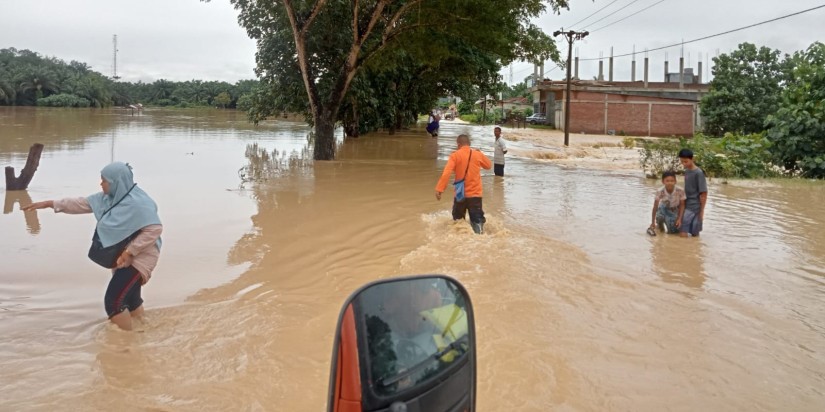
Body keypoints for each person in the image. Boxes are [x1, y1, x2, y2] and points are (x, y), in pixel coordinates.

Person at [23, 162, 162, 330]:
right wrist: (49, 203)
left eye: (105, 181)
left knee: (114, 302)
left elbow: (154, 229)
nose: (101, 184)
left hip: (141, 257)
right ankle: (142, 334)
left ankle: (126, 345)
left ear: (116, 182)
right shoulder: (108, 199)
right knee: (130, 300)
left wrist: (130, 251)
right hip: (121, 255)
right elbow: (80, 203)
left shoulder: (140, 203)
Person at [435, 134, 492, 234]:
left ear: (458, 144)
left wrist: (440, 189)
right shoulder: (477, 154)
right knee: (477, 222)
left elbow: (446, 173)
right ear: (469, 144)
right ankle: (480, 240)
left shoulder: (455, 155)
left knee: (458, 222)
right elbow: (488, 166)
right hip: (475, 195)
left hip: (460, 194)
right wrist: (480, 153)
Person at [678, 149, 708, 237]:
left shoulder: (698, 173)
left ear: (692, 159)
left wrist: (702, 211)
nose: (684, 164)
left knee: (683, 230)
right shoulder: (687, 171)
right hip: (687, 203)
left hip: (694, 206)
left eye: (686, 161)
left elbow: (704, 193)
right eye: (682, 161)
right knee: (694, 232)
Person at [648, 170, 686, 236]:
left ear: (675, 181)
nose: (670, 183)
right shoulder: (660, 191)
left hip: (675, 210)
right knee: (660, 218)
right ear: (663, 181)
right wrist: (653, 222)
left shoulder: (680, 190)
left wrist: (679, 219)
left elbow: (682, 205)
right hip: (663, 208)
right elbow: (655, 207)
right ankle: (659, 227)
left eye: (672, 181)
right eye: (667, 181)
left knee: (673, 232)